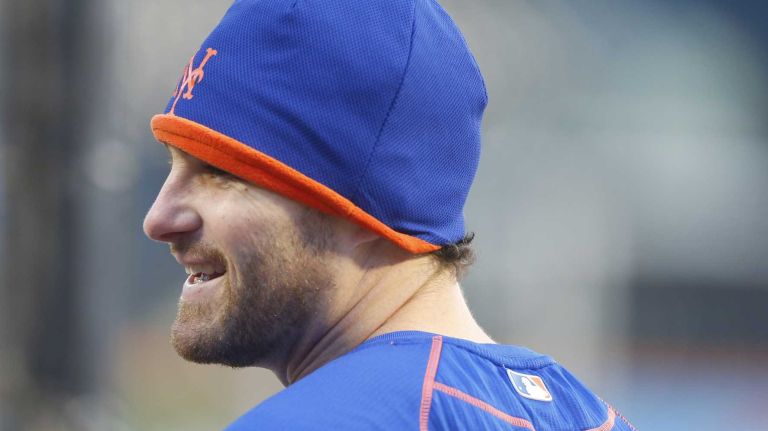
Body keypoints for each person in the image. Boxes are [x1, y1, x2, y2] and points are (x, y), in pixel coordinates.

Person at [143, 0, 636, 429]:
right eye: (174, 164)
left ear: (362, 208)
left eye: (221, 173)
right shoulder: (597, 418)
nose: (158, 218)